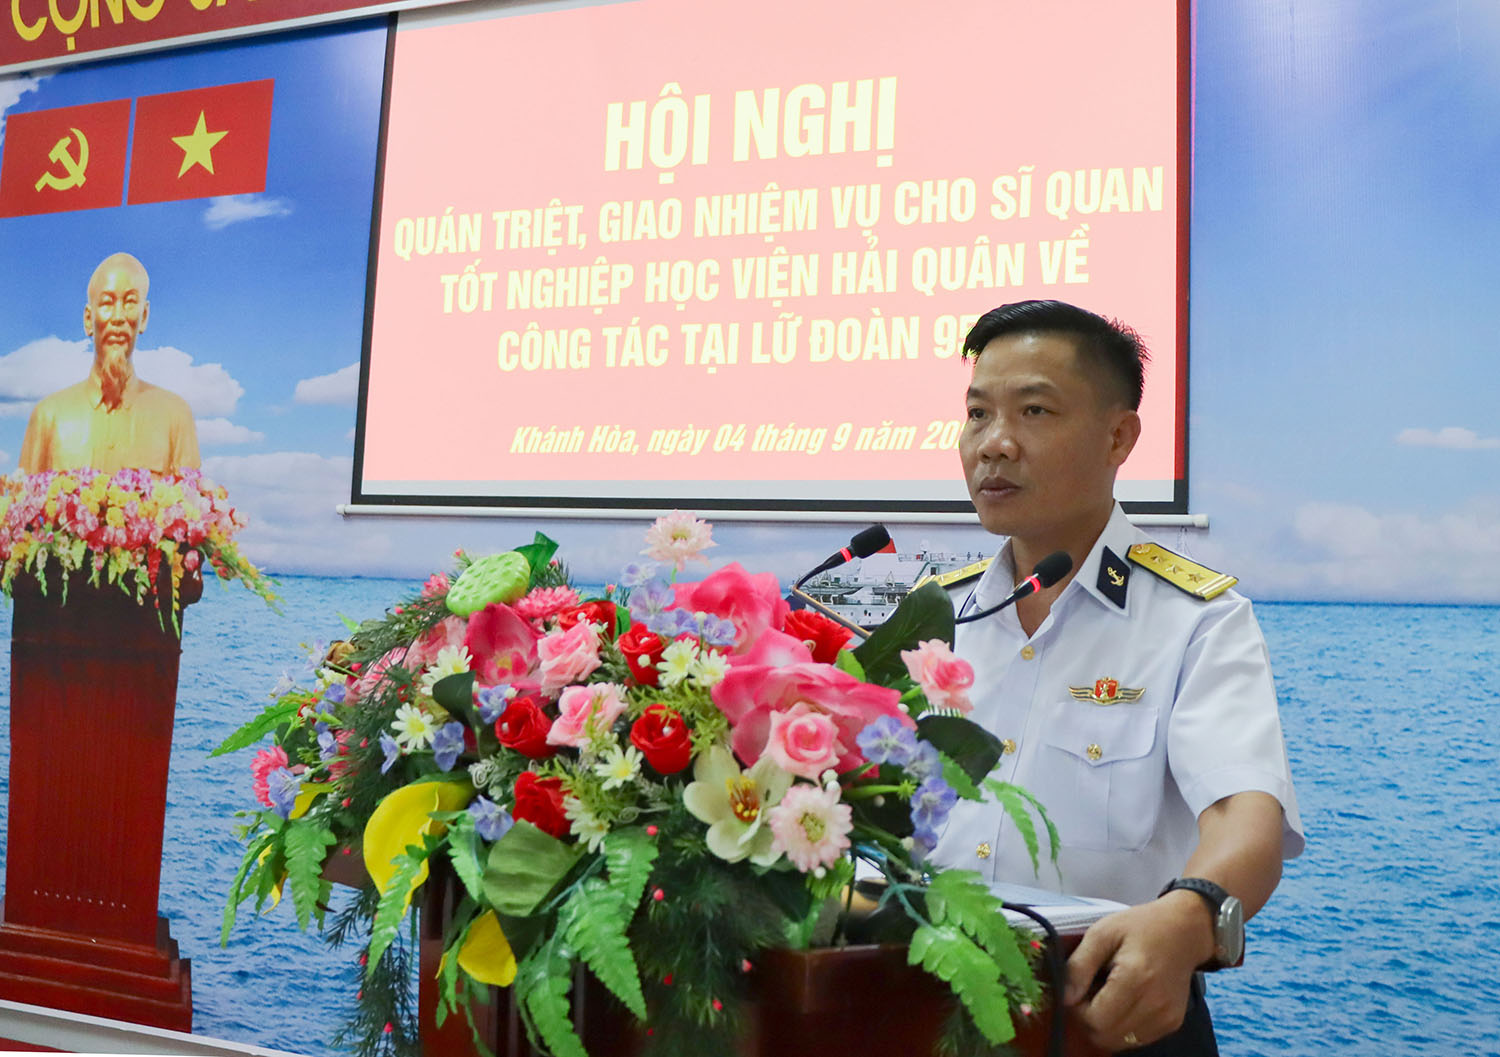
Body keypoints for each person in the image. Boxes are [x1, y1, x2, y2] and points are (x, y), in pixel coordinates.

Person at [931, 300, 1303, 1055]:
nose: (994, 443)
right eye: (977, 414)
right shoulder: (933, 614)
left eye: (1034, 411)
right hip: (916, 998)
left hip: (1110, 1009)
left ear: (1119, 437)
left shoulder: (1196, 620)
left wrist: (1190, 914)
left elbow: (1246, 818)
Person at [19, 252, 200, 475]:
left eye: (130, 303)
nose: (118, 317)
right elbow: (22, 495)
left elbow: (191, 496)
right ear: (88, 319)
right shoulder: (48, 417)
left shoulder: (175, 416)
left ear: (143, 316)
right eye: (107, 303)